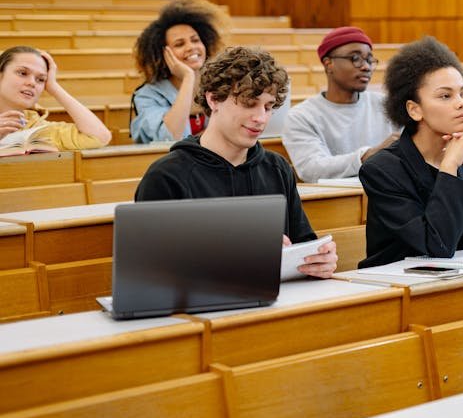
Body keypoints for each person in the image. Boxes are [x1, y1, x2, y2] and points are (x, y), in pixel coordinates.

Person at [136, 46, 337, 279]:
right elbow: (149, 272)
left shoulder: (277, 168)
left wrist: (318, 261)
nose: (261, 118)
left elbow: (302, 245)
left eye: (268, 106)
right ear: (213, 100)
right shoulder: (166, 176)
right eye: (249, 103)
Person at [358, 37, 463, 267]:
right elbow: (436, 247)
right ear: (415, 109)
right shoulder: (383, 169)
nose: (462, 104)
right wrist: (449, 168)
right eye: (445, 96)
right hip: (402, 292)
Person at [283, 26, 398, 183]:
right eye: (355, 58)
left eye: (369, 59)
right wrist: (367, 156)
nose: (366, 67)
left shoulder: (386, 105)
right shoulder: (301, 116)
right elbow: (311, 169)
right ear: (328, 63)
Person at [130, 0, 227, 144]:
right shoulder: (147, 96)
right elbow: (170, 137)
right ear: (163, 54)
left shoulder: (218, 85)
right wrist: (188, 77)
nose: (191, 47)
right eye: (179, 44)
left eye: (195, 40)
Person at [0, 46, 112, 149]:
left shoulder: (36, 129)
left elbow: (100, 137)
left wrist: (53, 87)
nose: (32, 83)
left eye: (41, 79)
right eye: (22, 73)